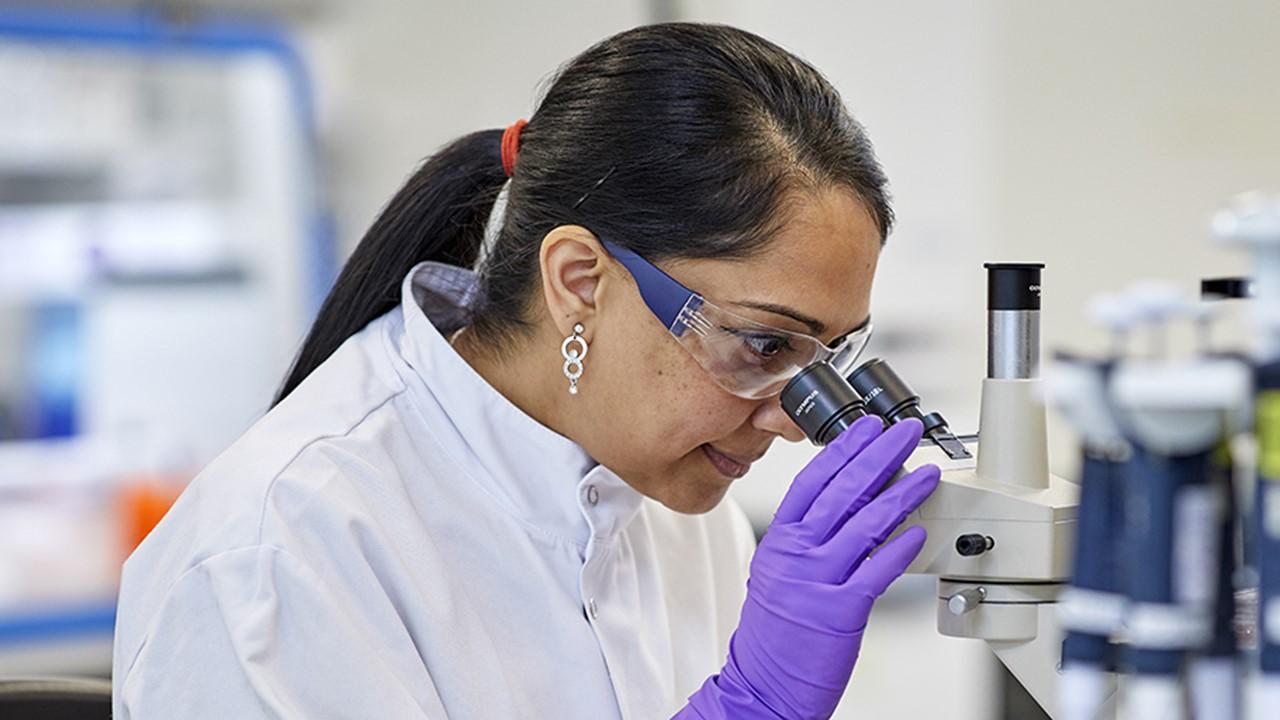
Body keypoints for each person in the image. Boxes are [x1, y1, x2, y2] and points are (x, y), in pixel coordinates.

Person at [112, 22, 940, 719]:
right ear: (580, 281)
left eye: (829, 360)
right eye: (764, 346)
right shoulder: (279, 552)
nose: (794, 419)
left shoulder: (680, 509)